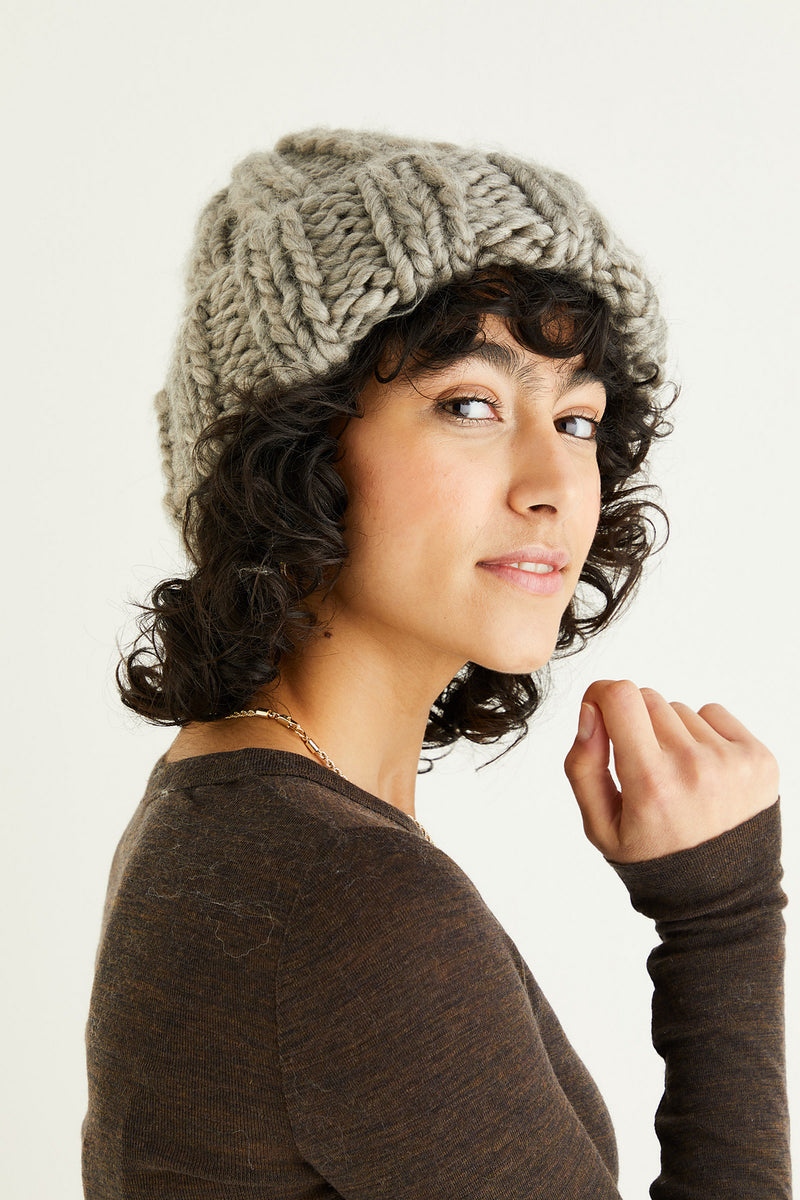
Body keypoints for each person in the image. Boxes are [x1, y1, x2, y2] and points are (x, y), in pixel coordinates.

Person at [81, 127, 789, 1198]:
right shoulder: (346, 894)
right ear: (296, 453)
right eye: (469, 405)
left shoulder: (230, 810)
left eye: (577, 418)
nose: (552, 485)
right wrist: (723, 918)